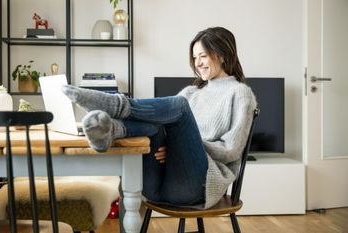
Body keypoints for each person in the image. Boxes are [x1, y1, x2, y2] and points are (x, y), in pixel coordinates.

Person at [61, 27, 257, 209]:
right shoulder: (191, 92)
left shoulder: (240, 93)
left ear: (222, 55)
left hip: (199, 187)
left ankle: (116, 105)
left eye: (203, 56)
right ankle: (112, 130)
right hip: (158, 186)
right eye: (195, 57)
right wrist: (174, 146)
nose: (197, 63)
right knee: (156, 122)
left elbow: (231, 151)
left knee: (179, 106)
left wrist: (178, 148)